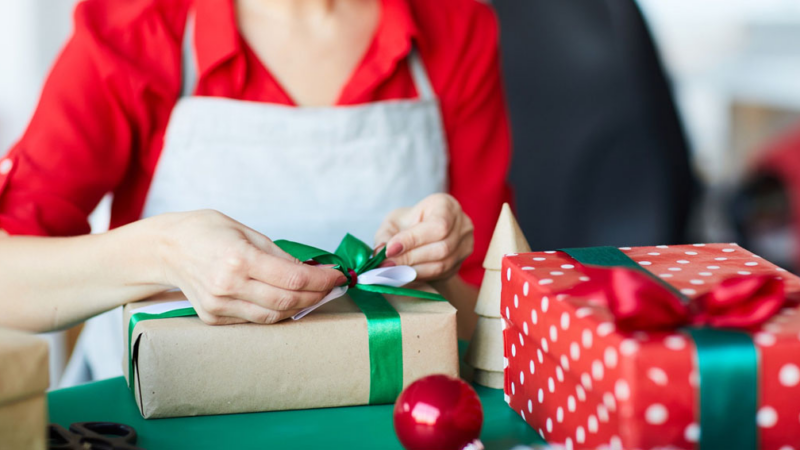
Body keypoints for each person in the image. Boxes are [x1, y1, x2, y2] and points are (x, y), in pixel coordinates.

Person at [0, 0, 511, 381]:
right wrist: (163, 253)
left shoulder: (457, 25)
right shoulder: (135, 25)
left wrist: (438, 269)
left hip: (386, 414)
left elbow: (493, 325)